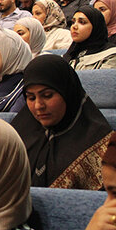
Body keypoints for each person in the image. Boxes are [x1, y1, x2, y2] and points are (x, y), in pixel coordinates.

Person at [12, 55, 113, 189]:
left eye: (47, 96)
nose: (38, 106)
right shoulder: (17, 134)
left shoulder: (101, 144)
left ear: (67, 93)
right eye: (31, 98)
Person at [64, 5, 116, 70]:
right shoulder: (71, 53)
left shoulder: (111, 55)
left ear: (95, 26)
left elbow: (102, 79)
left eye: (82, 22)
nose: (74, 26)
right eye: (73, 22)